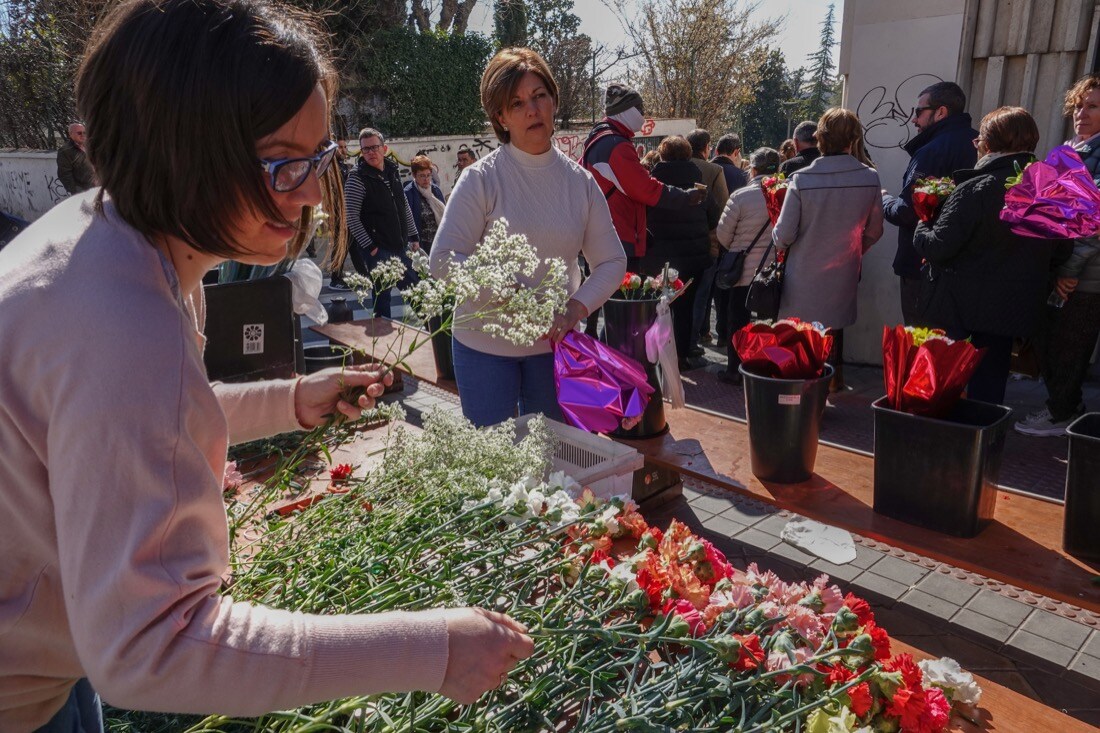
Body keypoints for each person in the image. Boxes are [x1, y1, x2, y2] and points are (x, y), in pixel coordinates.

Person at [0, 0, 535, 729]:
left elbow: (126, 430)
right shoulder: (122, 321)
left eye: (318, 160)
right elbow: (152, 645)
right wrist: (432, 648)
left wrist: (290, 399)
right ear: (179, 147)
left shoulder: (109, 232)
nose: (313, 192)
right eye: (283, 164)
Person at [430, 48, 627, 428]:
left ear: (553, 100)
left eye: (539, 96)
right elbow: (443, 259)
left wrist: (575, 309)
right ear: (501, 117)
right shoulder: (480, 179)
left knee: (552, 461)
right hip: (483, 347)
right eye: (516, 103)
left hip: (553, 350)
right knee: (494, 467)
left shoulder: (580, 183)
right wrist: (503, 292)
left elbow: (612, 261)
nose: (532, 110)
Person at [913, 107, 1069, 406]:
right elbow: (1062, 249)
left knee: (949, 383)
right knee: (990, 385)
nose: (977, 146)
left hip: (965, 310)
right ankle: (985, 441)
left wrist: (923, 222)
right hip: (1011, 308)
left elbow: (937, 247)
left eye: (978, 140)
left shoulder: (976, 188)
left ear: (989, 143)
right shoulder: (1047, 190)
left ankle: (953, 443)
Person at [772, 108, 884, 391]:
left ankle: (800, 389)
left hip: (802, 272)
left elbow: (783, 235)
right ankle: (832, 382)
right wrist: (853, 252)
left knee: (800, 333)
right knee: (834, 330)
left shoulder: (802, 179)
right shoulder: (869, 177)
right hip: (843, 270)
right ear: (853, 139)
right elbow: (874, 231)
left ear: (820, 138)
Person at [1017, 75, 1100, 436]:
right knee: (1051, 341)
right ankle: (1065, 406)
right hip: (1060, 269)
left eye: (1093, 106)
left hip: (1086, 274)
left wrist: (1067, 269)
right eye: (1079, 105)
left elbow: (1094, 222)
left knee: (1070, 347)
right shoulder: (1069, 148)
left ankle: (1062, 412)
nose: (1082, 112)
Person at [881, 81, 978, 325]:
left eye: (918, 112)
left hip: (924, 266)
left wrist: (884, 200)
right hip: (968, 269)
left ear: (941, 112)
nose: (913, 120)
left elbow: (907, 212)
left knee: (923, 346)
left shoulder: (932, 151)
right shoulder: (980, 146)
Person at [582, 82, 705, 270]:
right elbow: (643, 188)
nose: (643, 114)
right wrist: (685, 197)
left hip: (604, 235)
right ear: (626, 110)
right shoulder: (616, 144)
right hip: (617, 237)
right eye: (639, 108)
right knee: (621, 297)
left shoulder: (600, 138)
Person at [643, 136, 711, 370]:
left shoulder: (652, 183)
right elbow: (712, 217)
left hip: (658, 255)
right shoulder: (700, 182)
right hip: (693, 254)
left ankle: (657, 355)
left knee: (658, 306)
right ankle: (681, 356)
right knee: (686, 308)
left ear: (662, 155)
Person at [715, 147, 781, 384]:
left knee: (738, 320)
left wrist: (738, 246)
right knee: (768, 321)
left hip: (741, 271)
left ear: (752, 168)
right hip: (772, 272)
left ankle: (735, 368)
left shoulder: (740, 196)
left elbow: (722, 234)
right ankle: (765, 368)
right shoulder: (785, 194)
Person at [346, 126, 420, 319]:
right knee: (383, 299)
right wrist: (370, 247)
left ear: (384, 148)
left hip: (401, 245)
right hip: (379, 249)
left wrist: (413, 236)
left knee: (416, 292)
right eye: (365, 149)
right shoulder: (357, 177)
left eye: (374, 147)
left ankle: (434, 337)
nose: (370, 152)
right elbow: (351, 216)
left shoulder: (392, 171)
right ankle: (380, 341)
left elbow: (403, 205)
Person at [686, 128, 731, 355]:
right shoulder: (714, 170)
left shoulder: (669, 166)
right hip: (706, 242)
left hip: (677, 242)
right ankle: (692, 343)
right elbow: (723, 206)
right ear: (707, 147)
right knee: (701, 295)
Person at [404, 154, 446, 253]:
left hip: (439, 242)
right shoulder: (408, 193)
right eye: (422, 176)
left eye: (428, 175)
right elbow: (407, 222)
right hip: (421, 245)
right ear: (414, 175)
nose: (426, 179)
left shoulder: (435, 190)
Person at [56, 122, 96, 195]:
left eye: (84, 132)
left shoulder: (91, 147)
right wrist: (75, 191)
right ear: (71, 134)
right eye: (79, 133)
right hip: (82, 191)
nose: (83, 135)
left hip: (97, 188)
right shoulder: (65, 151)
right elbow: (64, 174)